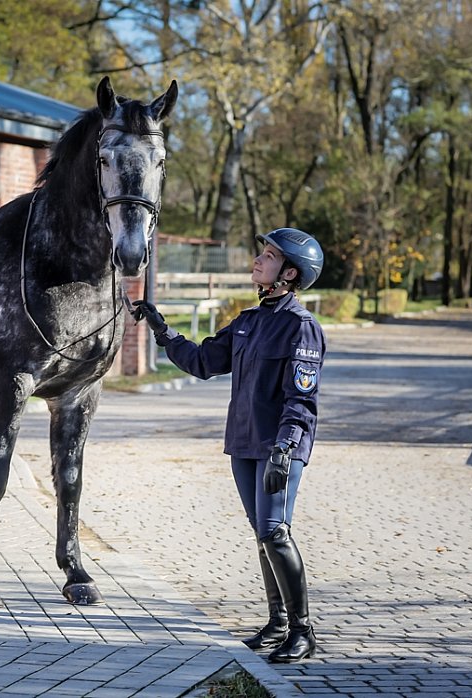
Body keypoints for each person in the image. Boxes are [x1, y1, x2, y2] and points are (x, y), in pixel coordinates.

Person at [132, 227, 326, 663]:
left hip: (278, 447)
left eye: (269, 256)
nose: (258, 260)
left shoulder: (301, 328)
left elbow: (302, 398)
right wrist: (163, 331)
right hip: (243, 443)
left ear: (290, 273)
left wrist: (286, 448)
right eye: (262, 254)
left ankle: (302, 629)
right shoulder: (249, 322)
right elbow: (203, 361)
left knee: (276, 532)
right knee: (263, 536)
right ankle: (277, 623)